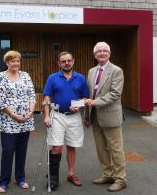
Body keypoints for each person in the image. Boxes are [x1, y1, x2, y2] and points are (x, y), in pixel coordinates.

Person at [43, 51, 89, 191]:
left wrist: (79, 106)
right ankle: (53, 177)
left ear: (73, 61)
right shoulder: (53, 77)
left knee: (71, 145)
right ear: (59, 63)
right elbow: (46, 98)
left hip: (74, 117)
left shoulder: (80, 78)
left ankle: (71, 173)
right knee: (56, 147)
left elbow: (85, 98)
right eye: (63, 61)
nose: (66, 63)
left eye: (69, 60)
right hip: (57, 116)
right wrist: (46, 116)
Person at [84, 42, 127, 192]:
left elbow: (115, 94)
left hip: (110, 116)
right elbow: (89, 94)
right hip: (95, 116)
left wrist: (94, 102)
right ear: (94, 55)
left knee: (116, 149)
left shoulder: (116, 71)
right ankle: (108, 174)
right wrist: (87, 115)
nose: (101, 53)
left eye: (104, 51)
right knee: (101, 148)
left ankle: (120, 179)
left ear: (109, 53)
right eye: (98, 51)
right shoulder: (91, 71)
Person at [0, 50, 36, 193]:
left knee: (21, 151)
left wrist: (31, 111)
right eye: (13, 61)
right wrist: (13, 115)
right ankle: (4, 181)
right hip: (9, 121)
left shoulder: (25, 75)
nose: (16, 63)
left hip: (26, 120)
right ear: (7, 62)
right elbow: (1, 99)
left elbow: (32, 94)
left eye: (18, 61)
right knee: (8, 151)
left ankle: (20, 178)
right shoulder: (1, 76)